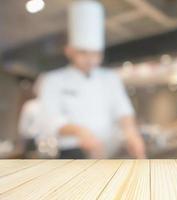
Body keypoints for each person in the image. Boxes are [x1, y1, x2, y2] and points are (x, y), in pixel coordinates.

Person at [37, 0, 145, 159]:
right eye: (84, 53)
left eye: (96, 54)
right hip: (72, 153)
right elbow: (51, 121)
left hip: (109, 151)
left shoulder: (111, 78)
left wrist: (131, 133)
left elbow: (123, 111)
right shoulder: (51, 80)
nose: (91, 59)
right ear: (69, 51)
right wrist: (80, 132)